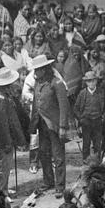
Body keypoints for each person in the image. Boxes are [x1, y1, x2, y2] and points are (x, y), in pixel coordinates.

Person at [29, 54, 70, 197]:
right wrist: (33, 125)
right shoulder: (37, 84)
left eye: (38, 69)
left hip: (54, 125)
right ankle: (49, 181)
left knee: (58, 155)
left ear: (45, 69)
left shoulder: (56, 83)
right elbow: (35, 105)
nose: (35, 73)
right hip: (41, 125)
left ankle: (60, 185)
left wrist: (63, 126)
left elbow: (64, 106)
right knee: (43, 154)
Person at [0, 68, 26, 193]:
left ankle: (4, 187)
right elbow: (2, 124)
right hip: (4, 139)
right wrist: (8, 141)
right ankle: (1, 191)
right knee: (5, 165)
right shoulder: (0, 98)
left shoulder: (3, 93)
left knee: (6, 164)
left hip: (7, 136)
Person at [73, 71, 105, 161]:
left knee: (97, 143)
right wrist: (81, 118)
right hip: (86, 122)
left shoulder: (101, 92)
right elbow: (75, 108)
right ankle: (86, 161)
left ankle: (97, 161)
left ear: (96, 81)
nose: (91, 83)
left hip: (98, 121)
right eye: (89, 81)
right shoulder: (82, 93)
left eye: (93, 81)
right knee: (86, 143)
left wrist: (103, 118)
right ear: (86, 82)